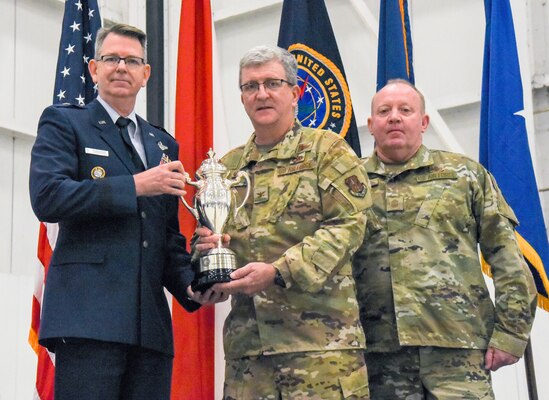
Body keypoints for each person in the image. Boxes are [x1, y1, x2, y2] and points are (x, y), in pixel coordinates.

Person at [29, 23, 223, 400]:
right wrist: (134, 186)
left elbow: (166, 236)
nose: (121, 67)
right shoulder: (65, 122)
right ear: (93, 69)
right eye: (112, 58)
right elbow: (48, 197)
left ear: (146, 73)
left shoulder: (162, 143)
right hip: (88, 322)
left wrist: (191, 285)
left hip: (148, 328)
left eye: (132, 61)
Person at [195, 45, 372, 399]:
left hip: (321, 350)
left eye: (272, 83)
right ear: (242, 98)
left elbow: (348, 227)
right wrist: (203, 258)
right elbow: (212, 240)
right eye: (250, 86)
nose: (261, 94)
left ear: (295, 93)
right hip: (250, 356)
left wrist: (279, 271)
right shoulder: (225, 170)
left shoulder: (328, 151)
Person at [353, 79, 537, 399]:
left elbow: (507, 256)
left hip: (457, 352)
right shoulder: (347, 185)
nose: (394, 117)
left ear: (423, 122)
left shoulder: (464, 175)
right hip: (378, 356)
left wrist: (511, 332)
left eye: (405, 110)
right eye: (384, 111)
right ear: (371, 124)